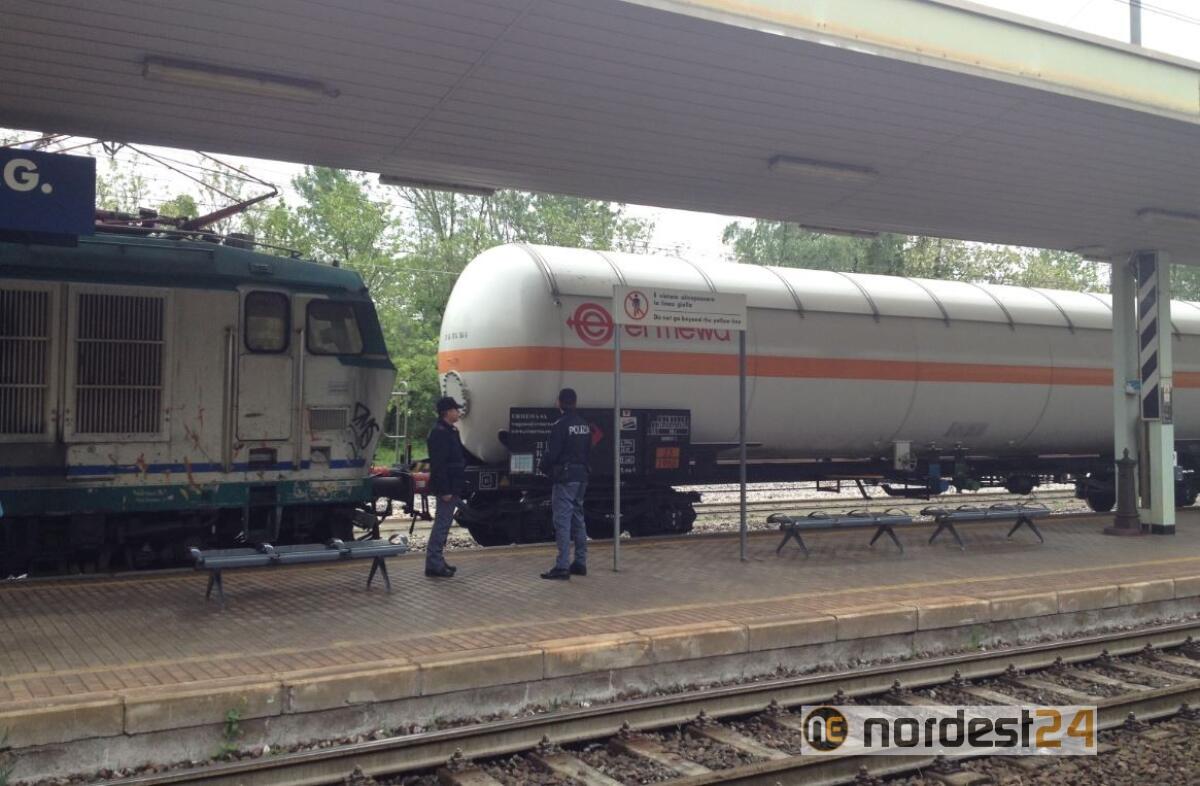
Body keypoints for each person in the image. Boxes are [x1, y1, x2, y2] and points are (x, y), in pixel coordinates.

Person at [539, 388, 593, 580]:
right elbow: (588, 451)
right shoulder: (584, 425)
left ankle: (562, 566)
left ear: (559, 403)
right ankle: (580, 562)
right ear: (575, 403)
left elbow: (552, 454)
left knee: (562, 521)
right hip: (582, 476)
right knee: (578, 517)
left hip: (565, 477)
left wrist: (543, 468)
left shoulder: (560, 425)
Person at [425, 396, 466, 578]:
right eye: (455, 410)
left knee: (444, 524)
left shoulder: (450, 430)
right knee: (441, 525)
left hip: (454, 484)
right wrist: (445, 490)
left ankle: (437, 560)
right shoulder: (439, 432)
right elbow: (439, 465)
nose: (458, 412)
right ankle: (434, 563)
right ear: (447, 412)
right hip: (447, 486)